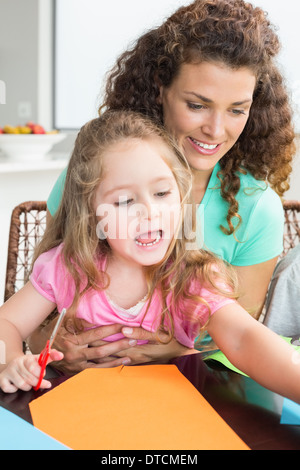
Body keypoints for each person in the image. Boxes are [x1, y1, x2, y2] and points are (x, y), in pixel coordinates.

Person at [29, 0, 296, 372]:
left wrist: (174, 348)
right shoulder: (93, 181)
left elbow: (239, 338)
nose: (216, 131)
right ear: (160, 88)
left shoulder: (255, 208)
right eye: (197, 104)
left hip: (191, 383)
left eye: (237, 109)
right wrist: (53, 345)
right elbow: (38, 319)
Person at [1, 111, 300, 404]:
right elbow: (8, 324)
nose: (150, 211)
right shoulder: (67, 268)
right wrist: (11, 360)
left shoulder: (194, 274)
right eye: (124, 200)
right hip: (82, 415)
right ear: (91, 215)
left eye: (161, 193)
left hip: (169, 417)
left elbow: (244, 338)